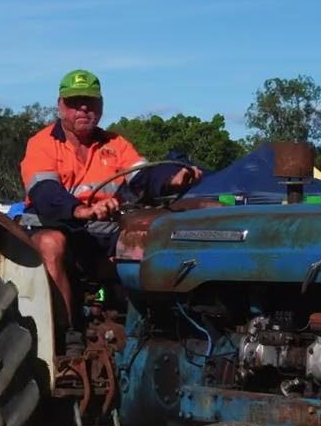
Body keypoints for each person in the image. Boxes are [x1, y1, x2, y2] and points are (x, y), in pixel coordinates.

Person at [20, 69, 202, 324]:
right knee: (51, 244)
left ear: (101, 105)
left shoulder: (115, 144)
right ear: (60, 105)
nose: (84, 108)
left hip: (101, 231)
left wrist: (171, 179)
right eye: (75, 102)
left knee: (149, 238)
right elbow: (44, 192)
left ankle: (155, 323)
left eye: (90, 102)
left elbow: (142, 176)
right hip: (55, 225)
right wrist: (80, 210)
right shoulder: (42, 143)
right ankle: (64, 333)